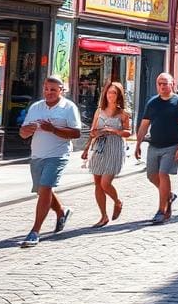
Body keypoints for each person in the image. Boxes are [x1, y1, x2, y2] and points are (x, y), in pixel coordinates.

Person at [19, 76, 81, 247]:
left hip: (58, 154)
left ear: (61, 90)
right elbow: (23, 133)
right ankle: (62, 212)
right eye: (46, 89)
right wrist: (27, 130)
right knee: (42, 191)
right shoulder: (36, 107)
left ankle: (35, 231)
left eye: (53, 89)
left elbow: (76, 133)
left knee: (45, 187)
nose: (49, 92)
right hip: (37, 154)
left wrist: (53, 129)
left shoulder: (69, 108)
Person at [135, 73, 178, 224]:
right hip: (154, 145)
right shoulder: (152, 102)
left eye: (165, 83)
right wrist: (138, 143)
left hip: (172, 145)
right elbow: (144, 124)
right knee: (151, 176)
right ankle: (169, 195)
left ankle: (162, 210)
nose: (162, 86)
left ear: (172, 84)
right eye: (159, 83)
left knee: (163, 174)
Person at [81, 81, 130, 227]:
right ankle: (103, 216)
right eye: (109, 92)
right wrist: (86, 148)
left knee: (105, 182)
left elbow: (128, 132)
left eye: (114, 93)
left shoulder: (123, 113)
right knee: (97, 183)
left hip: (114, 147)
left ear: (119, 95)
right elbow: (92, 131)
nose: (111, 95)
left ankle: (117, 201)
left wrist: (114, 130)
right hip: (99, 147)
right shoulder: (99, 110)